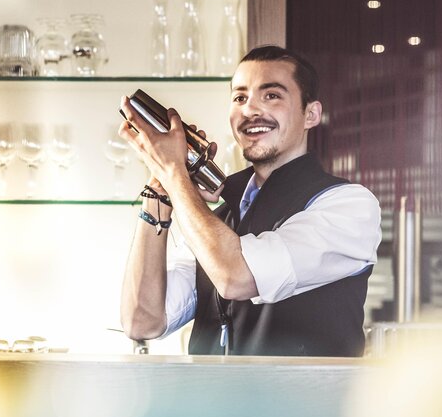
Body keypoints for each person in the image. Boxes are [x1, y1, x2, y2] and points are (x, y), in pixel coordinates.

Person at [118, 45, 381, 356]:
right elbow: (142, 321)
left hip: (305, 405)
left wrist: (173, 172)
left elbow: (236, 277)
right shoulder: (215, 218)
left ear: (311, 114)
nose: (250, 110)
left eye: (272, 96)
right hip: (209, 404)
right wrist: (160, 190)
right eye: (240, 98)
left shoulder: (348, 205)